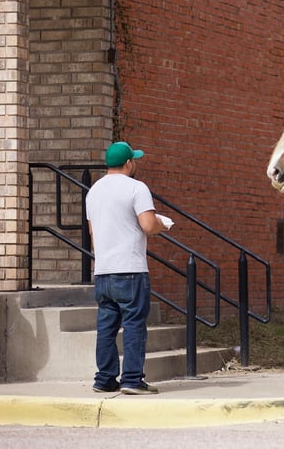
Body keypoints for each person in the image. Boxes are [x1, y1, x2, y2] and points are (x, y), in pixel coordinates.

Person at [85, 141, 171, 395]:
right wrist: (162, 225)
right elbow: (147, 224)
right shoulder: (137, 188)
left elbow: (92, 232)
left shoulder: (94, 191)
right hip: (131, 268)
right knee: (133, 324)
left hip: (103, 269)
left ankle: (104, 378)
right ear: (129, 163)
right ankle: (132, 379)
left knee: (106, 326)